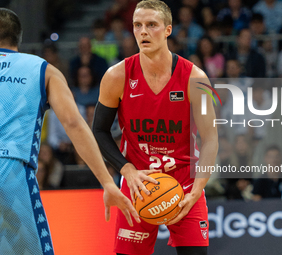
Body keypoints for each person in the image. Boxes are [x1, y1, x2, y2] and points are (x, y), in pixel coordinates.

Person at [0, 8, 140, 255]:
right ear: (18, 39)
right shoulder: (43, 70)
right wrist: (107, 182)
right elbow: (74, 124)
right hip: (11, 173)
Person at [92, 1, 218, 255]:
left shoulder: (196, 78)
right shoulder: (117, 76)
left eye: (151, 25)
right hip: (138, 181)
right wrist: (126, 169)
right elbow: (99, 131)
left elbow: (211, 139)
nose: (143, 32)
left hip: (184, 181)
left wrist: (198, 189)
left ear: (168, 29)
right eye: (137, 25)